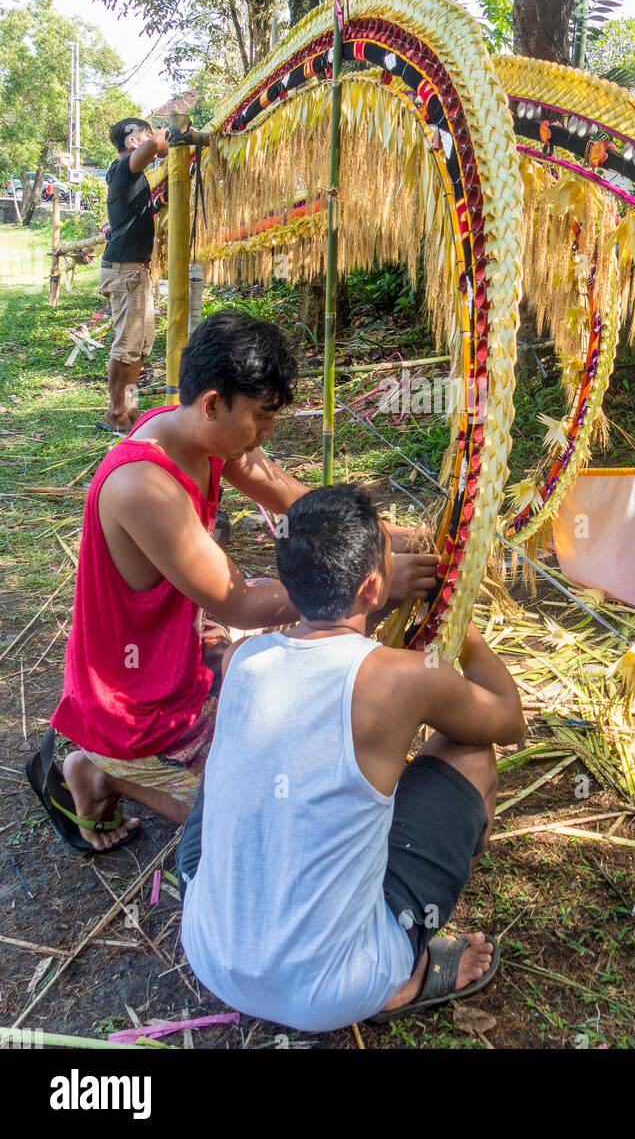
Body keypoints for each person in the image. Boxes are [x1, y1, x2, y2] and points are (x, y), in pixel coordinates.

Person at [28, 312, 438, 854]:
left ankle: (148, 741)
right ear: (212, 402)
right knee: (263, 817)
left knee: (321, 619)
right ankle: (102, 769)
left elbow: (292, 498)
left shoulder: (201, 438)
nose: (268, 433)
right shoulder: (143, 487)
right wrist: (373, 581)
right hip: (136, 700)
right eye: (262, 417)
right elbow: (240, 603)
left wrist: (382, 536)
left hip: (184, 649)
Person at [178, 484, 524, 1031]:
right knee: (471, 754)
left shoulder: (242, 657)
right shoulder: (404, 678)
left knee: (240, 769)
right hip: (336, 989)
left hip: (211, 954)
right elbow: (510, 720)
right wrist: (466, 631)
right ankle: (407, 972)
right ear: (372, 587)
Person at [99, 117, 168, 434]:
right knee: (126, 347)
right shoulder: (124, 168)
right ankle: (116, 414)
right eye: (145, 134)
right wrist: (169, 136)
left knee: (139, 348)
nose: (151, 138)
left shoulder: (127, 172)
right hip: (125, 270)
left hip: (134, 270)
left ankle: (129, 407)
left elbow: (154, 147)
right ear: (131, 141)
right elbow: (155, 147)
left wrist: (160, 143)